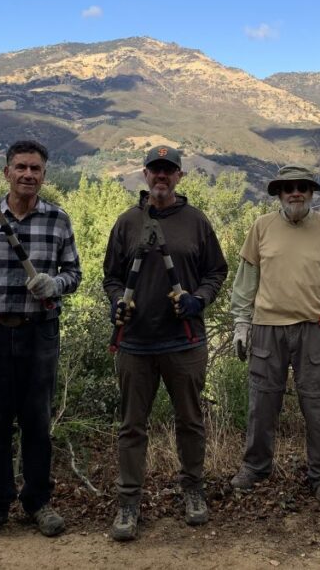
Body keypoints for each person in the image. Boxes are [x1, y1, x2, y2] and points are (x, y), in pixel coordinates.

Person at [0, 140, 82, 548]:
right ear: (6, 171)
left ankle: (37, 503)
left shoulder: (57, 219)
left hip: (39, 331)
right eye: (21, 167)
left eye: (36, 169)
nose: (29, 175)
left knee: (37, 423)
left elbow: (75, 273)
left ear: (44, 175)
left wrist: (56, 283)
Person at [102, 145, 228, 542]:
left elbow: (216, 271)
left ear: (179, 177)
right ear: (144, 175)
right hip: (135, 344)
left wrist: (199, 299)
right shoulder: (126, 224)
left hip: (184, 343)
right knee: (131, 427)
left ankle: (192, 490)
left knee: (190, 421)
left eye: (168, 170)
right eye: (155, 169)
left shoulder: (196, 222)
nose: (161, 176)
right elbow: (110, 277)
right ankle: (128, 502)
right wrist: (117, 302)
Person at [229, 165, 320, 506]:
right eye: (288, 188)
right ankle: (256, 467)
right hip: (267, 328)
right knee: (262, 403)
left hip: (312, 329)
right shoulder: (261, 227)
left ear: (311, 192)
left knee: (318, 406)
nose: (295, 193)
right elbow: (245, 282)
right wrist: (241, 324)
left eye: (302, 187)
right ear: (279, 193)